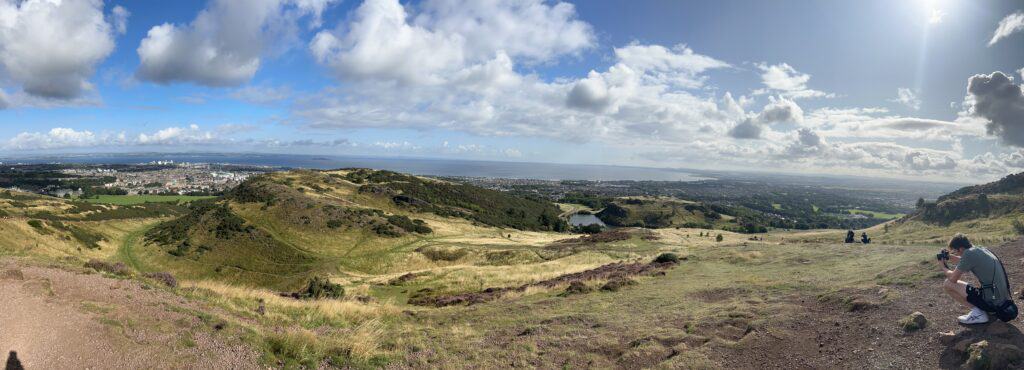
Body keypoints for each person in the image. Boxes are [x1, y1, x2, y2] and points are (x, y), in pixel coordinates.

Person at [937, 233, 1011, 324]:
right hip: (1002, 299)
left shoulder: (969, 254)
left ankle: (979, 314)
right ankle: (982, 311)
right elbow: (964, 260)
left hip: (992, 302)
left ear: (960, 248)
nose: (955, 253)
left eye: (955, 251)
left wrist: (943, 267)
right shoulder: (980, 249)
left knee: (947, 284)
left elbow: (953, 279)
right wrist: (949, 257)